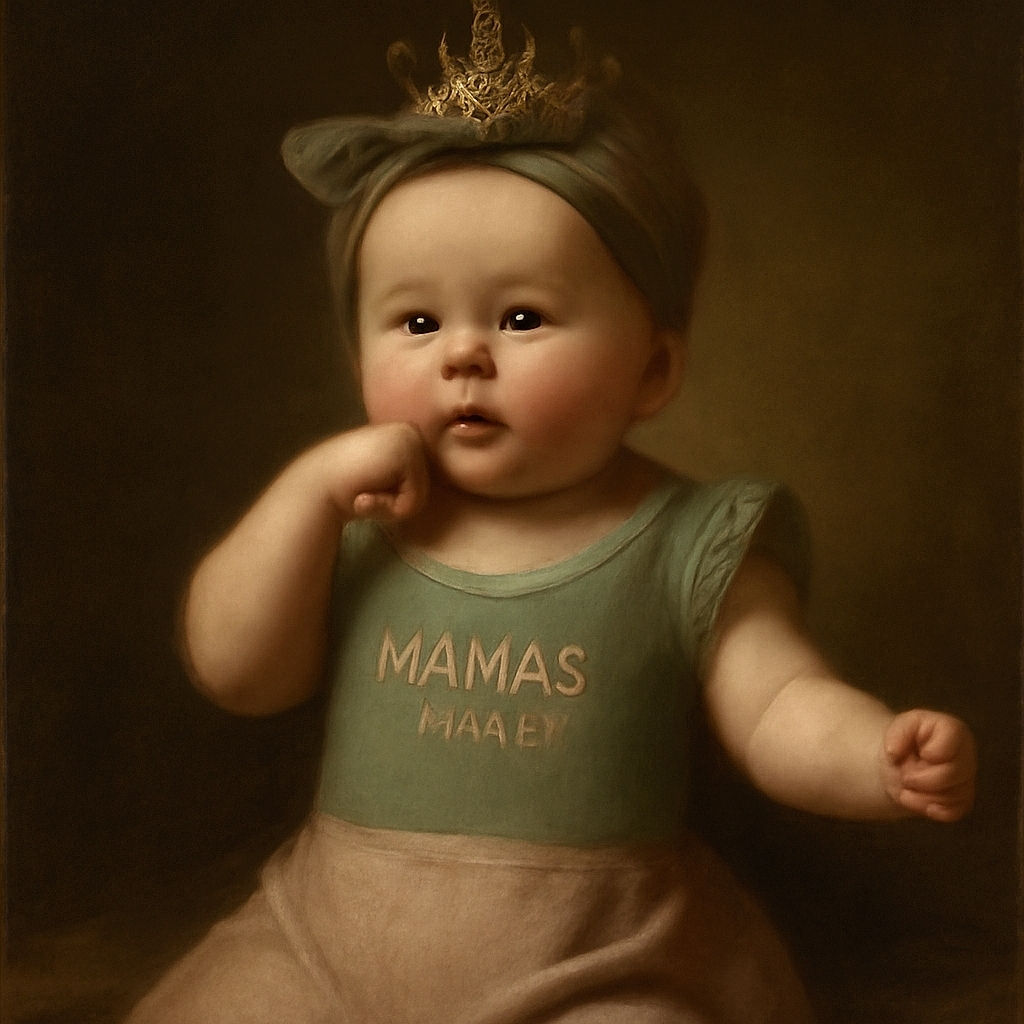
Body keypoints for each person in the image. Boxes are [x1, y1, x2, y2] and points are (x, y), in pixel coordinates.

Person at [126, 3, 976, 1021]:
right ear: (356, 350)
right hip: (331, 940)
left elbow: (775, 705)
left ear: (651, 368)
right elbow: (236, 669)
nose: (462, 354)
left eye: (521, 316)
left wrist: (874, 755)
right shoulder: (353, 517)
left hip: (595, 953)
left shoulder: (688, 538)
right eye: (416, 319)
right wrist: (305, 495)